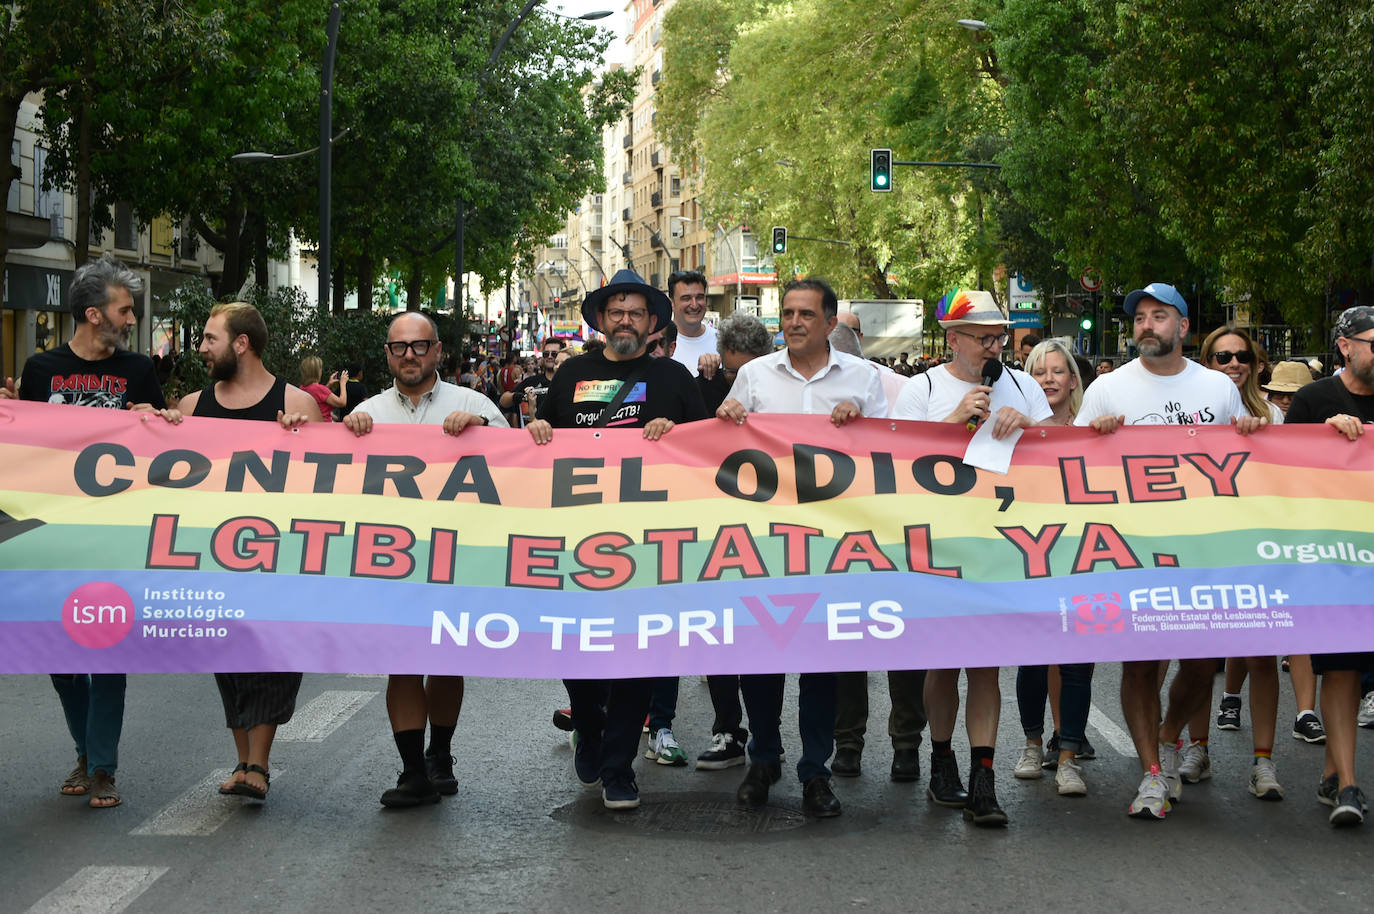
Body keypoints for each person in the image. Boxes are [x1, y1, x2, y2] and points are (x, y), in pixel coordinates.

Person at [1076, 282, 1266, 820]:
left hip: (1204, 550)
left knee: (1203, 663)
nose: (1146, 325)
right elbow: (1066, 470)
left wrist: (1248, 431)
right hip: (1132, 549)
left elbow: (1242, 463)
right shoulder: (1108, 389)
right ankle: (1152, 772)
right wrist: (1093, 435)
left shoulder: (1216, 388)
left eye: (1159, 316)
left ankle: (1166, 733)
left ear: (1183, 327)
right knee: (1139, 665)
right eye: (1139, 317)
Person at [2, 254, 181, 810]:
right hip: (49, 536)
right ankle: (86, 751)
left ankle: (102, 767)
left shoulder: (140, 372)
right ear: (92, 314)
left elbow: (162, 449)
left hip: (115, 534)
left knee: (107, 649)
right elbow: (22, 454)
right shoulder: (39, 370)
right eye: (124, 309)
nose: (132, 319)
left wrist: (164, 420)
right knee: (58, 656)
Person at [528, 268, 708, 810]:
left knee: (638, 657)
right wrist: (538, 433)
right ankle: (586, 716)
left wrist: (677, 435)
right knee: (577, 651)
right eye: (615, 312)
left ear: (653, 323)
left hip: (651, 548)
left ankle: (617, 767)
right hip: (576, 544)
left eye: (635, 312)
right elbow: (544, 444)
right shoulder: (571, 374)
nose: (624, 320)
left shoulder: (676, 380)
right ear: (602, 321)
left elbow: (707, 454)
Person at [717, 278, 888, 818]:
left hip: (834, 545)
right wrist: (725, 420)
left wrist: (862, 427)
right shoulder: (753, 375)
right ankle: (763, 759)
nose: (793, 322)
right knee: (761, 659)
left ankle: (816, 770)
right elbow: (723, 448)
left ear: (830, 322)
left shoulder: (864, 379)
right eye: (787, 313)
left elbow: (888, 451)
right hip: (765, 542)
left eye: (805, 314)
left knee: (821, 663)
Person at [334, 312, 509, 807]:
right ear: (387, 354)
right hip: (393, 563)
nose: (408, 355)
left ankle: (440, 755)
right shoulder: (366, 414)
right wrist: (345, 434)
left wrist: (482, 431)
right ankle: (413, 772)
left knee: (447, 660)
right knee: (402, 663)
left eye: (419, 346)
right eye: (398, 347)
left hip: (458, 560)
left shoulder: (474, 404)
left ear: (437, 352)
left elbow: (520, 468)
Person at [890, 289, 1050, 826]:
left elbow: (1058, 453)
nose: (992, 344)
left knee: (986, 665)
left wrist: (1030, 427)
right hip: (936, 547)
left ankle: (985, 779)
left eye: (997, 336)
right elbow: (894, 462)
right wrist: (954, 421)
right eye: (981, 336)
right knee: (944, 662)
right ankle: (942, 762)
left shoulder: (1024, 385)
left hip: (1003, 544)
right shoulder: (922, 389)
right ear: (952, 339)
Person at [177, 301, 319, 803]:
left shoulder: (298, 402)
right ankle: (243, 760)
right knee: (228, 658)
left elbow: (329, 483)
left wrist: (303, 441)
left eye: (210, 338)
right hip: (215, 561)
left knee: (273, 659)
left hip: (280, 560)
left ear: (242, 344)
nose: (201, 348)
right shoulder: (193, 406)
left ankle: (259, 762)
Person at [826, 320, 928, 784]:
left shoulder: (905, 389)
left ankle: (898, 744)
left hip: (894, 531)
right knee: (850, 645)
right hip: (844, 533)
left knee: (898, 646)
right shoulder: (811, 395)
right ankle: (858, 743)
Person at [1188, 326, 1288, 796]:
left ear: (1255, 362)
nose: (1232, 364)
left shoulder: (1274, 415)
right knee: (1199, 657)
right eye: (1221, 356)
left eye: (1241, 356)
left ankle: (1263, 761)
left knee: (1261, 657)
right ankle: (1197, 748)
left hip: (1256, 548)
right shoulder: (1191, 413)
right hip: (1199, 546)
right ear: (1206, 361)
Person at [1286, 306, 1374, 826]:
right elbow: (1283, 479)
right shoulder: (1313, 400)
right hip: (1338, 565)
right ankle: (1348, 783)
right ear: (1346, 346)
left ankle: (1331, 772)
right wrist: (1322, 437)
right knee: (1342, 670)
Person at [1015, 339, 1095, 796]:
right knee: (1033, 656)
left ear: (1073, 380)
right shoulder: (1014, 426)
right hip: (1029, 555)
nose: (1049, 379)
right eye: (1039, 371)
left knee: (1077, 663)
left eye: (1058, 371)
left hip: (1083, 554)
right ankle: (1030, 743)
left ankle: (1067, 757)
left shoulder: (1090, 426)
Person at [500, 337, 566, 426]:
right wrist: (520, 397)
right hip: (536, 434)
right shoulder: (532, 381)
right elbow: (503, 401)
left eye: (554, 354)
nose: (550, 356)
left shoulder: (569, 381)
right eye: (546, 354)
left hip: (563, 434)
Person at [666, 269, 717, 377]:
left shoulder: (722, 341)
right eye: (686, 298)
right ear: (671, 303)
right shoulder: (657, 344)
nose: (694, 305)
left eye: (699, 297)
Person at [298, 355, 340, 421]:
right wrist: (343, 382)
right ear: (317, 372)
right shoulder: (320, 389)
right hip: (323, 426)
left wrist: (328, 384)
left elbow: (317, 396)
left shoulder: (302, 388)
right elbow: (341, 402)